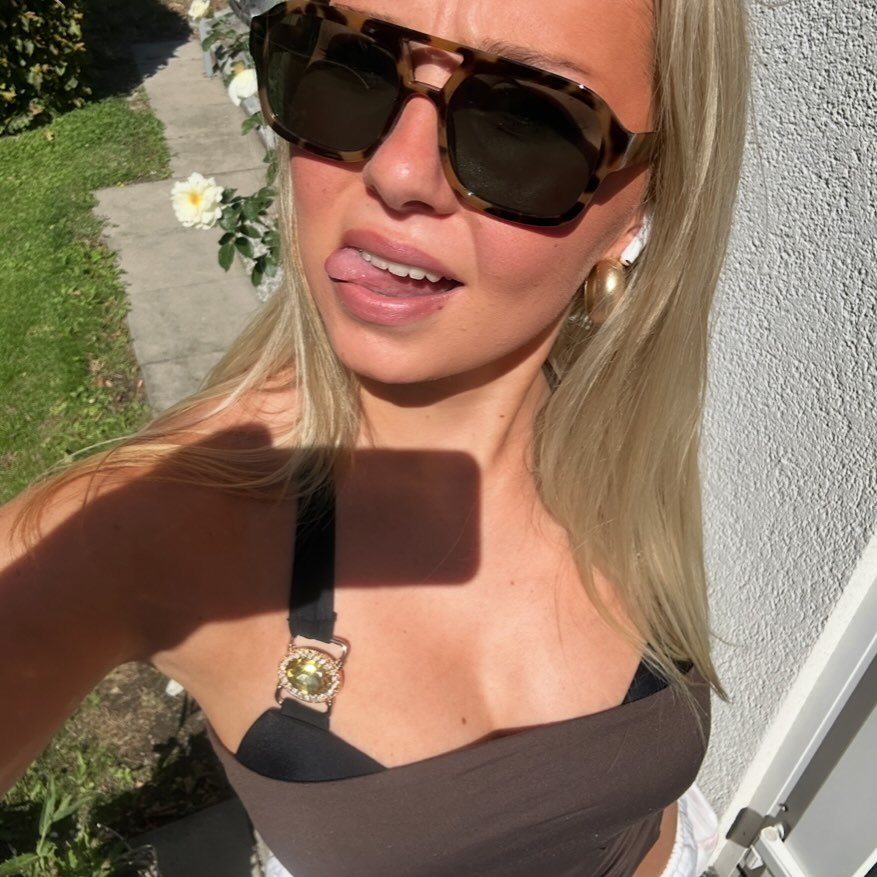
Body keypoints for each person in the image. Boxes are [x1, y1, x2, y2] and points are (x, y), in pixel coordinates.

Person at [0, 0, 749, 874]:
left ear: (639, 207)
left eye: (525, 120)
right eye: (347, 67)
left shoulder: (610, 423)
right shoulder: (150, 523)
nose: (396, 171)